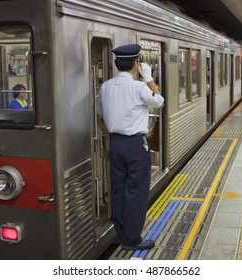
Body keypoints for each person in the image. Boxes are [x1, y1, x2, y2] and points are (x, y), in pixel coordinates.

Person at [96, 44, 164, 251]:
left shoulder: (105, 86)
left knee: (118, 189)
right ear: (136, 64)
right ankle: (132, 239)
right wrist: (149, 79)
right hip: (135, 145)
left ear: (117, 64)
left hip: (115, 143)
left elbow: (99, 111)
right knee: (136, 191)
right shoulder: (139, 87)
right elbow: (159, 101)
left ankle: (121, 232)